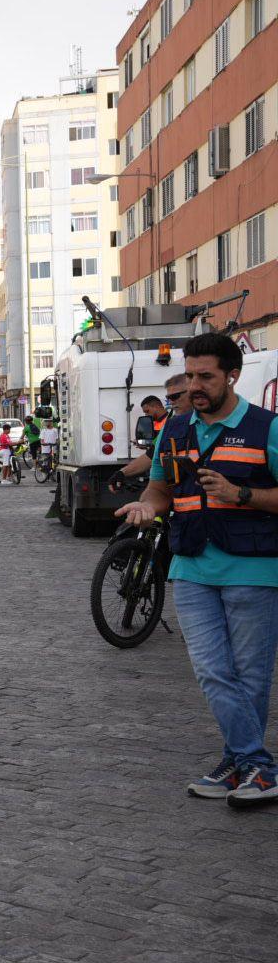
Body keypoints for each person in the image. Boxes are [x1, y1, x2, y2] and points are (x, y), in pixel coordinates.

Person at [116, 333, 278, 807]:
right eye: (190, 376)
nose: (195, 386)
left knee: (250, 677)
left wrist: (242, 494)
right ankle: (257, 766)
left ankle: (242, 765)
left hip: (253, 569)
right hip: (190, 568)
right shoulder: (176, 429)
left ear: (233, 375)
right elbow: (159, 490)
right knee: (211, 672)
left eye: (205, 376)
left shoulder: (266, 428)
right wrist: (147, 508)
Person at [112, 380, 190, 490]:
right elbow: (152, 453)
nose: (171, 402)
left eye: (175, 397)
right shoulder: (167, 425)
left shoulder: (170, 422)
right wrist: (121, 473)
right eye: (169, 398)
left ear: (156, 406)